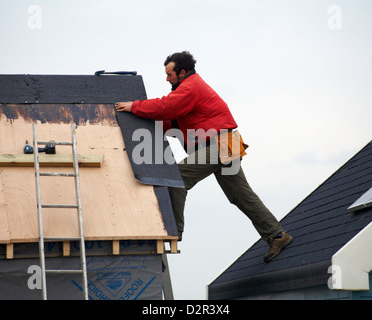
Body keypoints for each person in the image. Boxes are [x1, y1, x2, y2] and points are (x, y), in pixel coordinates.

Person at [116, 51, 292, 262]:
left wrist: (134, 106)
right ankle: (277, 235)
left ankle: (173, 231)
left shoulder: (190, 87)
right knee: (242, 196)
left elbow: (165, 106)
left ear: (182, 72)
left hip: (219, 144)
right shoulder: (190, 88)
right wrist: (140, 122)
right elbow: (172, 121)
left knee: (177, 178)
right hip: (228, 143)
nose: (166, 79)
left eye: (169, 74)